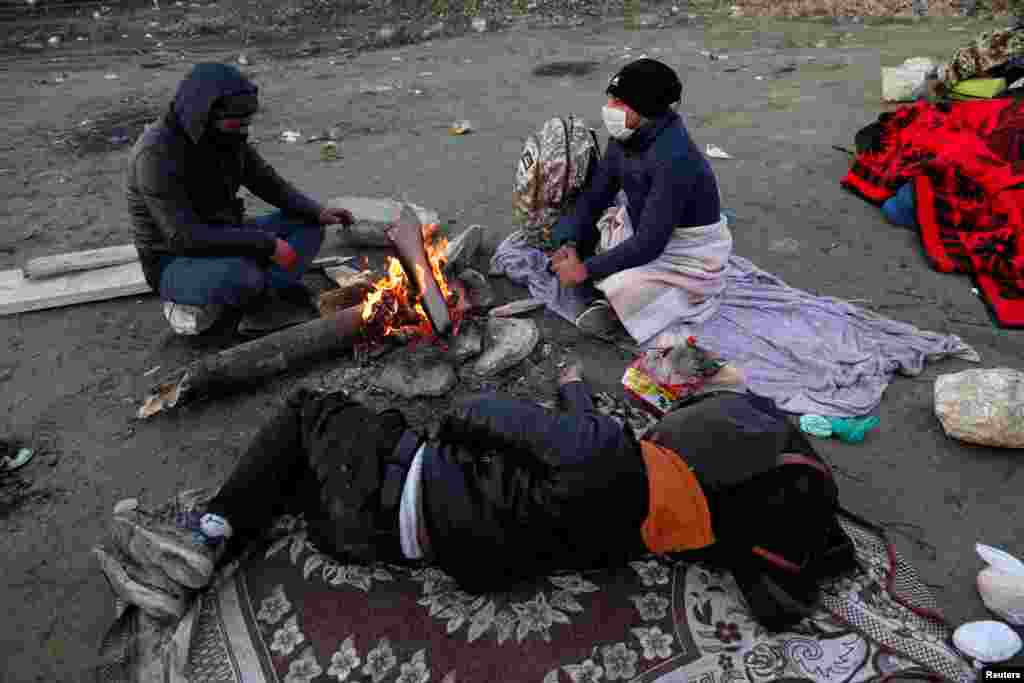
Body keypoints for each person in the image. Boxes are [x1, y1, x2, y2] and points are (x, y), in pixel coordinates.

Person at [98, 359, 844, 630]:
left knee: (312, 413)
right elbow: (596, 459)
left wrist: (551, 406)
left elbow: (472, 414)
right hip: (377, 538)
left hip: (386, 491)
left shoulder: (604, 450)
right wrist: (575, 399)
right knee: (298, 472)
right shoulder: (657, 529)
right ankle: (206, 548)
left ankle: (209, 531)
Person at [126, 63, 355, 337]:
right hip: (174, 260)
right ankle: (255, 296)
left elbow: (267, 183)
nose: (243, 130)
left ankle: (260, 297)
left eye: (247, 122)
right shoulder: (155, 155)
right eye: (237, 122)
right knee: (240, 274)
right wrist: (266, 244)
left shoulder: (226, 138)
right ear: (204, 113)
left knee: (308, 226)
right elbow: (183, 237)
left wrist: (317, 211)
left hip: (227, 233)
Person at [548, 58, 731, 343]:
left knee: (623, 286)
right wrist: (568, 242)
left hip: (689, 250)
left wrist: (584, 269)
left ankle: (625, 307)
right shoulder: (624, 139)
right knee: (573, 231)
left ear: (646, 109)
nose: (610, 109)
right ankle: (611, 297)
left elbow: (650, 244)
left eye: (620, 102)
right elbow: (596, 195)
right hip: (647, 227)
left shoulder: (673, 157)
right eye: (611, 99)